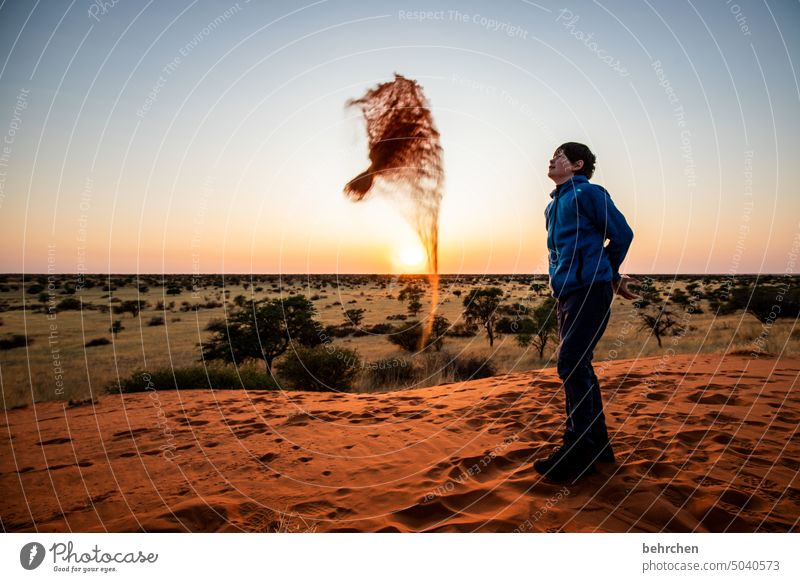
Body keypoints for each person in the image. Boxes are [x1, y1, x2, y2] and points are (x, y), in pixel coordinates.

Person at [534, 142, 638, 483]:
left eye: (561, 156)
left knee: (571, 365)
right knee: (579, 367)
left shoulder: (589, 194)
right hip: (567, 294)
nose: (552, 159)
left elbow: (621, 234)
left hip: (589, 291)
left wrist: (607, 274)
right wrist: (611, 274)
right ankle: (598, 447)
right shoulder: (553, 207)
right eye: (553, 155)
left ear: (577, 165)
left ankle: (577, 449)